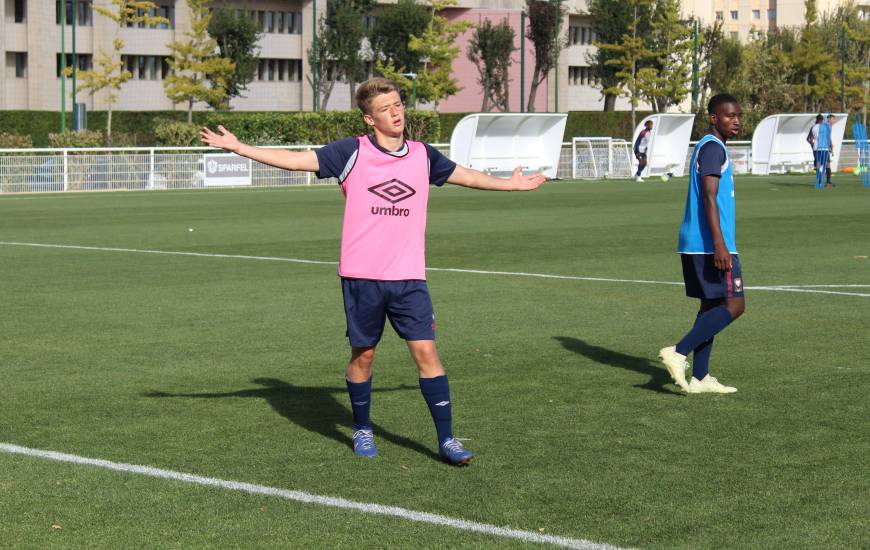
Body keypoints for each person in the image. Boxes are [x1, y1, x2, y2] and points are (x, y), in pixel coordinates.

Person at [200, 77, 547, 465]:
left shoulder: (422, 155)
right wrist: (240, 148)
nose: (396, 113)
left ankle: (447, 439)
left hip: (409, 277)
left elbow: (465, 175)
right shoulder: (351, 153)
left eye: (398, 104)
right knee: (363, 355)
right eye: (385, 109)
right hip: (362, 276)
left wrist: (510, 186)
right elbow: (298, 159)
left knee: (426, 353)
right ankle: (362, 428)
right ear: (369, 119)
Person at [658, 93, 745, 394]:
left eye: (737, 115)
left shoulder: (710, 147)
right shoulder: (712, 148)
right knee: (735, 305)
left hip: (700, 242)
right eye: (728, 115)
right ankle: (679, 351)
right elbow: (708, 197)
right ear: (713, 118)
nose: (735, 121)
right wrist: (720, 246)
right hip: (710, 244)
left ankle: (701, 377)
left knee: (711, 306)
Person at [814, 114, 834, 189]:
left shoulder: (815, 127)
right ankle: (827, 182)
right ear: (828, 119)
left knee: (819, 164)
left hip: (818, 148)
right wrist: (831, 146)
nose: (833, 121)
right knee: (826, 164)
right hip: (824, 148)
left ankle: (821, 182)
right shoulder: (826, 126)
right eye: (832, 119)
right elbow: (827, 137)